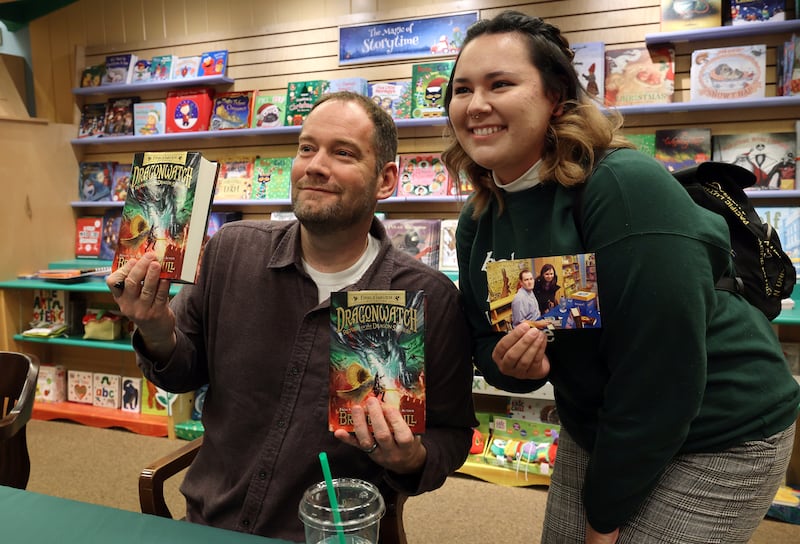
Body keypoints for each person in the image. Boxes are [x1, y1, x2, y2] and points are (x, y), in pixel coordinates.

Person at [442, 10, 800, 544]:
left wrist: (602, 519)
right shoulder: (479, 218)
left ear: (556, 96)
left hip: (721, 425)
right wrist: (509, 363)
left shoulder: (621, 186)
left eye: (501, 84)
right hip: (600, 422)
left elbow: (662, 373)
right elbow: (489, 346)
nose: (476, 105)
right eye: (461, 89)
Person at [106, 91, 477, 542]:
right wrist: (156, 328)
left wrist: (412, 458)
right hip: (210, 521)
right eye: (306, 148)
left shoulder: (429, 297)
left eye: (343, 153)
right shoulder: (231, 252)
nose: (315, 166)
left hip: (331, 534)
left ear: (387, 179)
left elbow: (453, 434)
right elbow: (182, 371)